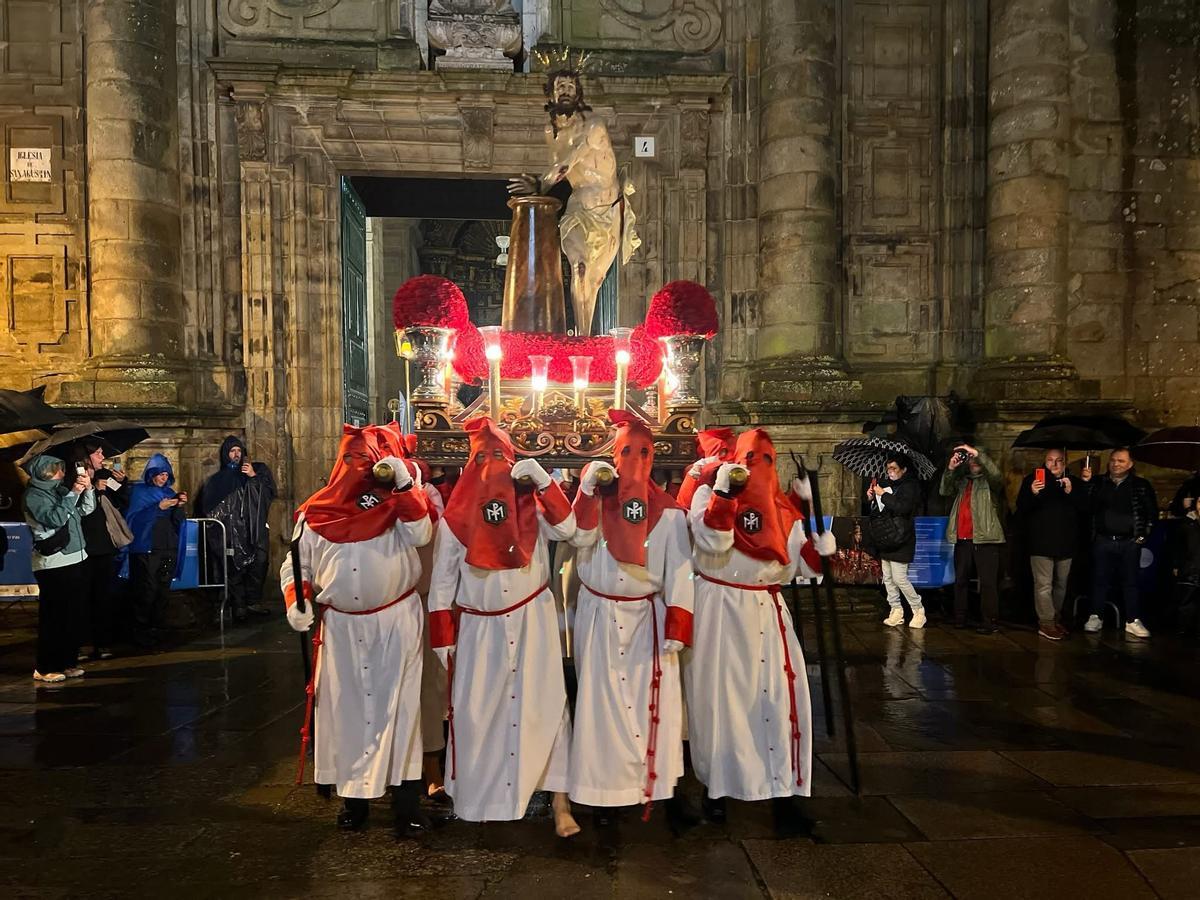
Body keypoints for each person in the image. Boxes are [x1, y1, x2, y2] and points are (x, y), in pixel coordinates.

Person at [425, 418, 580, 838]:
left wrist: (544, 483)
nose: (492, 464)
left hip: (532, 623)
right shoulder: (455, 518)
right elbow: (441, 584)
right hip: (481, 630)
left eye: (500, 455)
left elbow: (569, 530)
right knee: (480, 712)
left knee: (546, 707)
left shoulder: (531, 505)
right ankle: (481, 800)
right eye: (483, 457)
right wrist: (443, 639)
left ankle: (560, 803)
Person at [281, 422, 434, 834]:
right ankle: (355, 802)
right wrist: (297, 600)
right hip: (342, 628)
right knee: (346, 711)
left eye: (364, 459)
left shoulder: (397, 502)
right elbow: (297, 565)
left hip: (394, 620)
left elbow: (421, 533)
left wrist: (403, 487)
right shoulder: (315, 512)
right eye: (349, 458)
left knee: (399, 711)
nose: (356, 466)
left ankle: (406, 803)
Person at [685, 427, 834, 831]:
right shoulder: (708, 493)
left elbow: (799, 567)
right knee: (720, 702)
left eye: (767, 460)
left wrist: (820, 552)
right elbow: (712, 542)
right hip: (720, 609)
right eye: (750, 459)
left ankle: (783, 792)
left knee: (776, 702)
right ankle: (716, 790)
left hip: (767, 611)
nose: (757, 467)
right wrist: (725, 493)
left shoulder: (783, 510)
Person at [566, 410, 694, 826]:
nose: (634, 461)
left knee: (650, 704)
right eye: (625, 452)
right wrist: (587, 492)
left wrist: (678, 623)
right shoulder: (597, 502)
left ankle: (653, 786)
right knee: (599, 705)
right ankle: (601, 794)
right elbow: (577, 536)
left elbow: (680, 570)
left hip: (647, 618)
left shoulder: (669, 514)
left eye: (642, 453)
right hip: (600, 615)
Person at [23, 454, 94, 683]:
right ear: (45, 472)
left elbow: (85, 511)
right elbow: (54, 518)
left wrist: (87, 490)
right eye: (58, 469)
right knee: (55, 616)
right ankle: (45, 667)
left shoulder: (59, 490)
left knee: (73, 615)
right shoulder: (33, 496)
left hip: (76, 557)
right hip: (54, 562)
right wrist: (73, 493)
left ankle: (67, 661)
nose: (63, 473)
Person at [195, 436, 276, 622]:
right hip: (230, 532)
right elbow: (210, 509)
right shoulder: (217, 481)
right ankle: (238, 606)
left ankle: (252, 602)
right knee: (233, 569)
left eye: (239, 450)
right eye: (232, 451)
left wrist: (253, 478)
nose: (236, 454)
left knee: (258, 564)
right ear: (226, 454)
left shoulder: (254, 473)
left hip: (253, 530)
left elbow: (266, 496)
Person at [1081, 448, 1158, 638]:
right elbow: (1085, 507)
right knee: (1099, 580)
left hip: (1129, 542)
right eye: (1113, 460)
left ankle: (1132, 620)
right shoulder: (1098, 482)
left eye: (1121, 461)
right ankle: (1095, 616)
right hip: (1103, 540)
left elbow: (1151, 513)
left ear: (1130, 464)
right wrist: (1086, 483)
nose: (1116, 464)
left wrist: (1142, 536)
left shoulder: (1140, 485)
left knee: (1130, 582)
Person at [1015, 448, 1088, 640]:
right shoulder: (1033, 480)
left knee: (1061, 585)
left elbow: (1085, 509)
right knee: (1043, 585)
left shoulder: (1073, 482)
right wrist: (1033, 493)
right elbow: (1021, 508)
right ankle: (1046, 622)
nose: (1054, 464)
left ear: (1065, 463)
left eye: (1059, 460)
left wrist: (1071, 492)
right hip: (1041, 543)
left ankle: (1055, 619)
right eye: (1050, 460)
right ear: (1044, 461)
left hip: (1066, 543)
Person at [73, 442, 132, 659]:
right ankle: (82, 643)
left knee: (104, 596)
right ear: (86, 457)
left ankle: (103, 642)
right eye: (97, 453)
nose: (102, 456)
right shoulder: (73, 478)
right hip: (82, 547)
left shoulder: (105, 475)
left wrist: (122, 483)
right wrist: (91, 490)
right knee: (81, 597)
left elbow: (123, 500)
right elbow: (74, 510)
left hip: (104, 546)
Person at [941, 443, 1006, 634]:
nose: (974, 461)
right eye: (970, 459)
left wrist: (977, 453)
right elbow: (944, 490)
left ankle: (989, 621)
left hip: (986, 539)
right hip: (962, 539)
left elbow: (997, 476)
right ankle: (960, 618)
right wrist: (951, 468)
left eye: (977, 458)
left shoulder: (990, 482)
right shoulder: (963, 481)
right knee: (960, 581)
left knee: (987, 583)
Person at [124, 454, 187, 649]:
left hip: (167, 547)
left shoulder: (169, 492)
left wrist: (178, 506)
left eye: (166, 475)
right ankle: (140, 631)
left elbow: (177, 521)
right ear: (152, 475)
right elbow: (133, 519)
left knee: (162, 590)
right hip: (147, 548)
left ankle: (157, 628)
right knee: (146, 590)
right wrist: (157, 508)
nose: (163, 478)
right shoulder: (140, 492)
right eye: (160, 474)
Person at [867, 454, 925, 628]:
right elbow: (881, 511)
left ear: (903, 469)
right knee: (888, 578)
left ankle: (918, 609)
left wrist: (883, 495)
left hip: (902, 538)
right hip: (887, 537)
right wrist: (872, 498)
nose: (890, 472)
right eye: (888, 469)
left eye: (894, 468)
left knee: (900, 578)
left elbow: (903, 507)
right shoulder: (889, 485)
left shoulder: (910, 486)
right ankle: (896, 610)